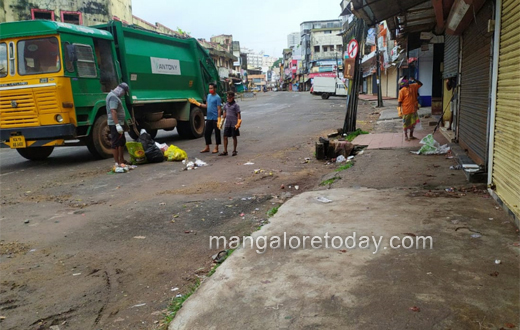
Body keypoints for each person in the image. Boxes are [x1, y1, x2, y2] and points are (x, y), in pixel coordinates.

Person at [106, 82, 129, 170]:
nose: (123, 94)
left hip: (119, 123)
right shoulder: (113, 97)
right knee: (115, 143)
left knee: (121, 141)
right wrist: (117, 125)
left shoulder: (115, 96)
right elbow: (113, 111)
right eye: (124, 92)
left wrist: (124, 124)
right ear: (121, 90)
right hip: (115, 124)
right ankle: (117, 162)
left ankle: (121, 160)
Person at [196, 83, 222, 154]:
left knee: (217, 133)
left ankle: (216, 147)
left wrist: (219, 118)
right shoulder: (208, 96)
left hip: (215, 118)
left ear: (215, 89)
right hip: (209, 118)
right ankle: (207, 147)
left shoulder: (217, 97)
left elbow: (219, 109)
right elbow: (207, 106)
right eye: (209, 88)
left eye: (211, 88)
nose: (210, 90)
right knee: (207, 132)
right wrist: (199, 104)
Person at [219, 91, 242, 156]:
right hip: (227, 123)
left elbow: (238, 114)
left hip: (234, 123)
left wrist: (238, 122)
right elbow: (224, 113)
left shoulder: (236, 106)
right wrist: (221, 121)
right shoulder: (226, 105)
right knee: (225, 136)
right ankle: (225, 151)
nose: (228, 99)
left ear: (233, 97)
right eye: (227, 97)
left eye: (229, 97)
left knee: (234, 136)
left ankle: (234, 150)